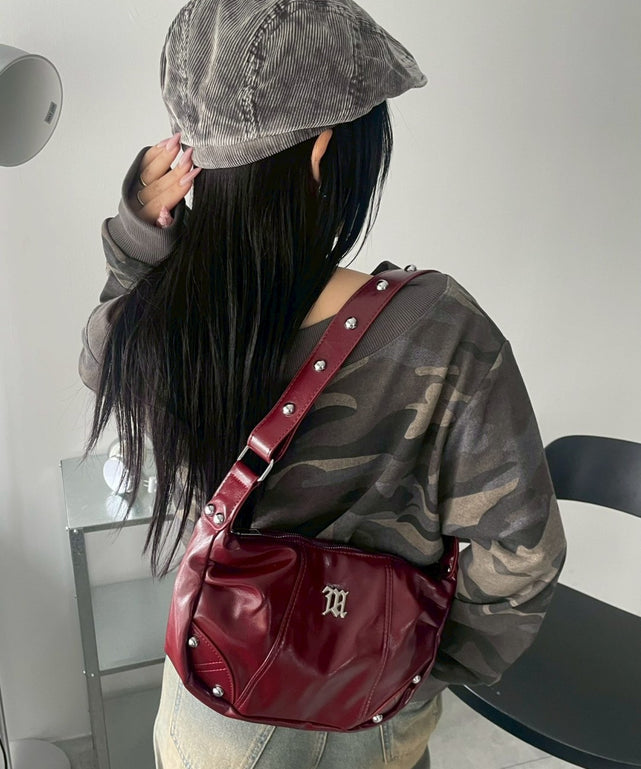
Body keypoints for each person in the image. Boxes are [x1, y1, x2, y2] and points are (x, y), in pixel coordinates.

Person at [78, 1, 568, 767]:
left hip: (213, 702)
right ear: (322, 153)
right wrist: (418, 672)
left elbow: (98, 359)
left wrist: (136, 239)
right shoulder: (441, 330)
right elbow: (522, 554)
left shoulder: (158, 319)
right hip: (371, 716)